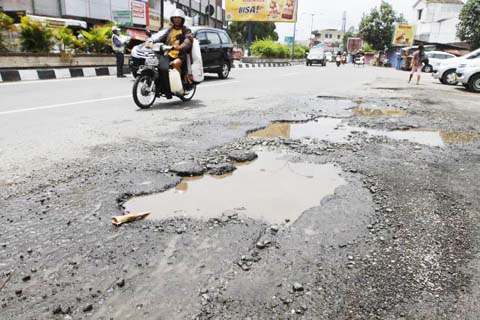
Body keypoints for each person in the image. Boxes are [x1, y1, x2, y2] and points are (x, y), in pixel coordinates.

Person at [158, 9, 193, 76]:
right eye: (175, 18)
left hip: (181, 55)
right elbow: (161, 38)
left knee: (175, 64)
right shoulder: (170, 30)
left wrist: (180, 47)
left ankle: (178, 84)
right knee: (160, 65)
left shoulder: (186, 30)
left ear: (182, 20)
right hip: (169, 54)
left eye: (179, 18)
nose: (177, 20)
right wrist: (151, 41)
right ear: (172, 19)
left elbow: (188, 40)